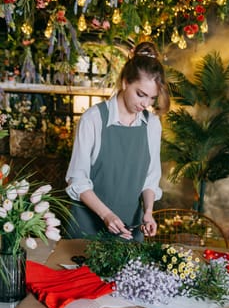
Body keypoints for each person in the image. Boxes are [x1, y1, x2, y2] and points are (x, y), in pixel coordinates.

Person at [65, 41, 170, 242]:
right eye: (141, 94)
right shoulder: (93, 119)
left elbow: (150, 179)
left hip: (130, 229)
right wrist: (106, 215)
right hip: (87, 230)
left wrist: (148, 212)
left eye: (151, 98)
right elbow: (77, 179)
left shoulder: (152, 125)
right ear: (124, 82)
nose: (145, 104)